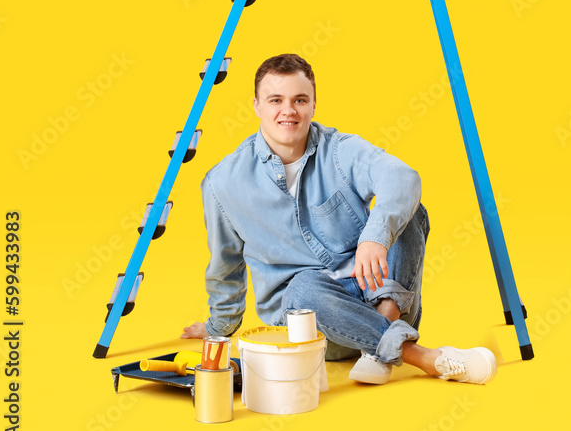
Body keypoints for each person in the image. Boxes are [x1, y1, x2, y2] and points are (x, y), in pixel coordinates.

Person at [181, 53, 497, 385]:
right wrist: (218, 327)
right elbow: (225, 265)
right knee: (301, 289)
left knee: (409, 211)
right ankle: (426, 358)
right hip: (313, 324)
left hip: (383, 295)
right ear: (257, 106)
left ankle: (380, 335)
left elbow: (402, 178)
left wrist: (375, 237)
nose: (288, 111)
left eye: (299, 100)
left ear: (314, 104)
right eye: (276, 100)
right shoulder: (223, 183)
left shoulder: (341, 150)